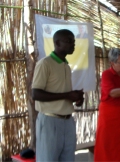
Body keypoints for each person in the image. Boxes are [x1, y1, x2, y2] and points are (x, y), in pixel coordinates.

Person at [32, 29, 84, 161]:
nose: (73, 44)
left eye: (73, 41)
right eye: (69, 41)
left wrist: (76, 98)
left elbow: (61, 92)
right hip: (50, 121)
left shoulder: (65, 65)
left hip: (67, 121)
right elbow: (36, 94)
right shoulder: (45, 64)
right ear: (57, 43)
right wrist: (67, 95)